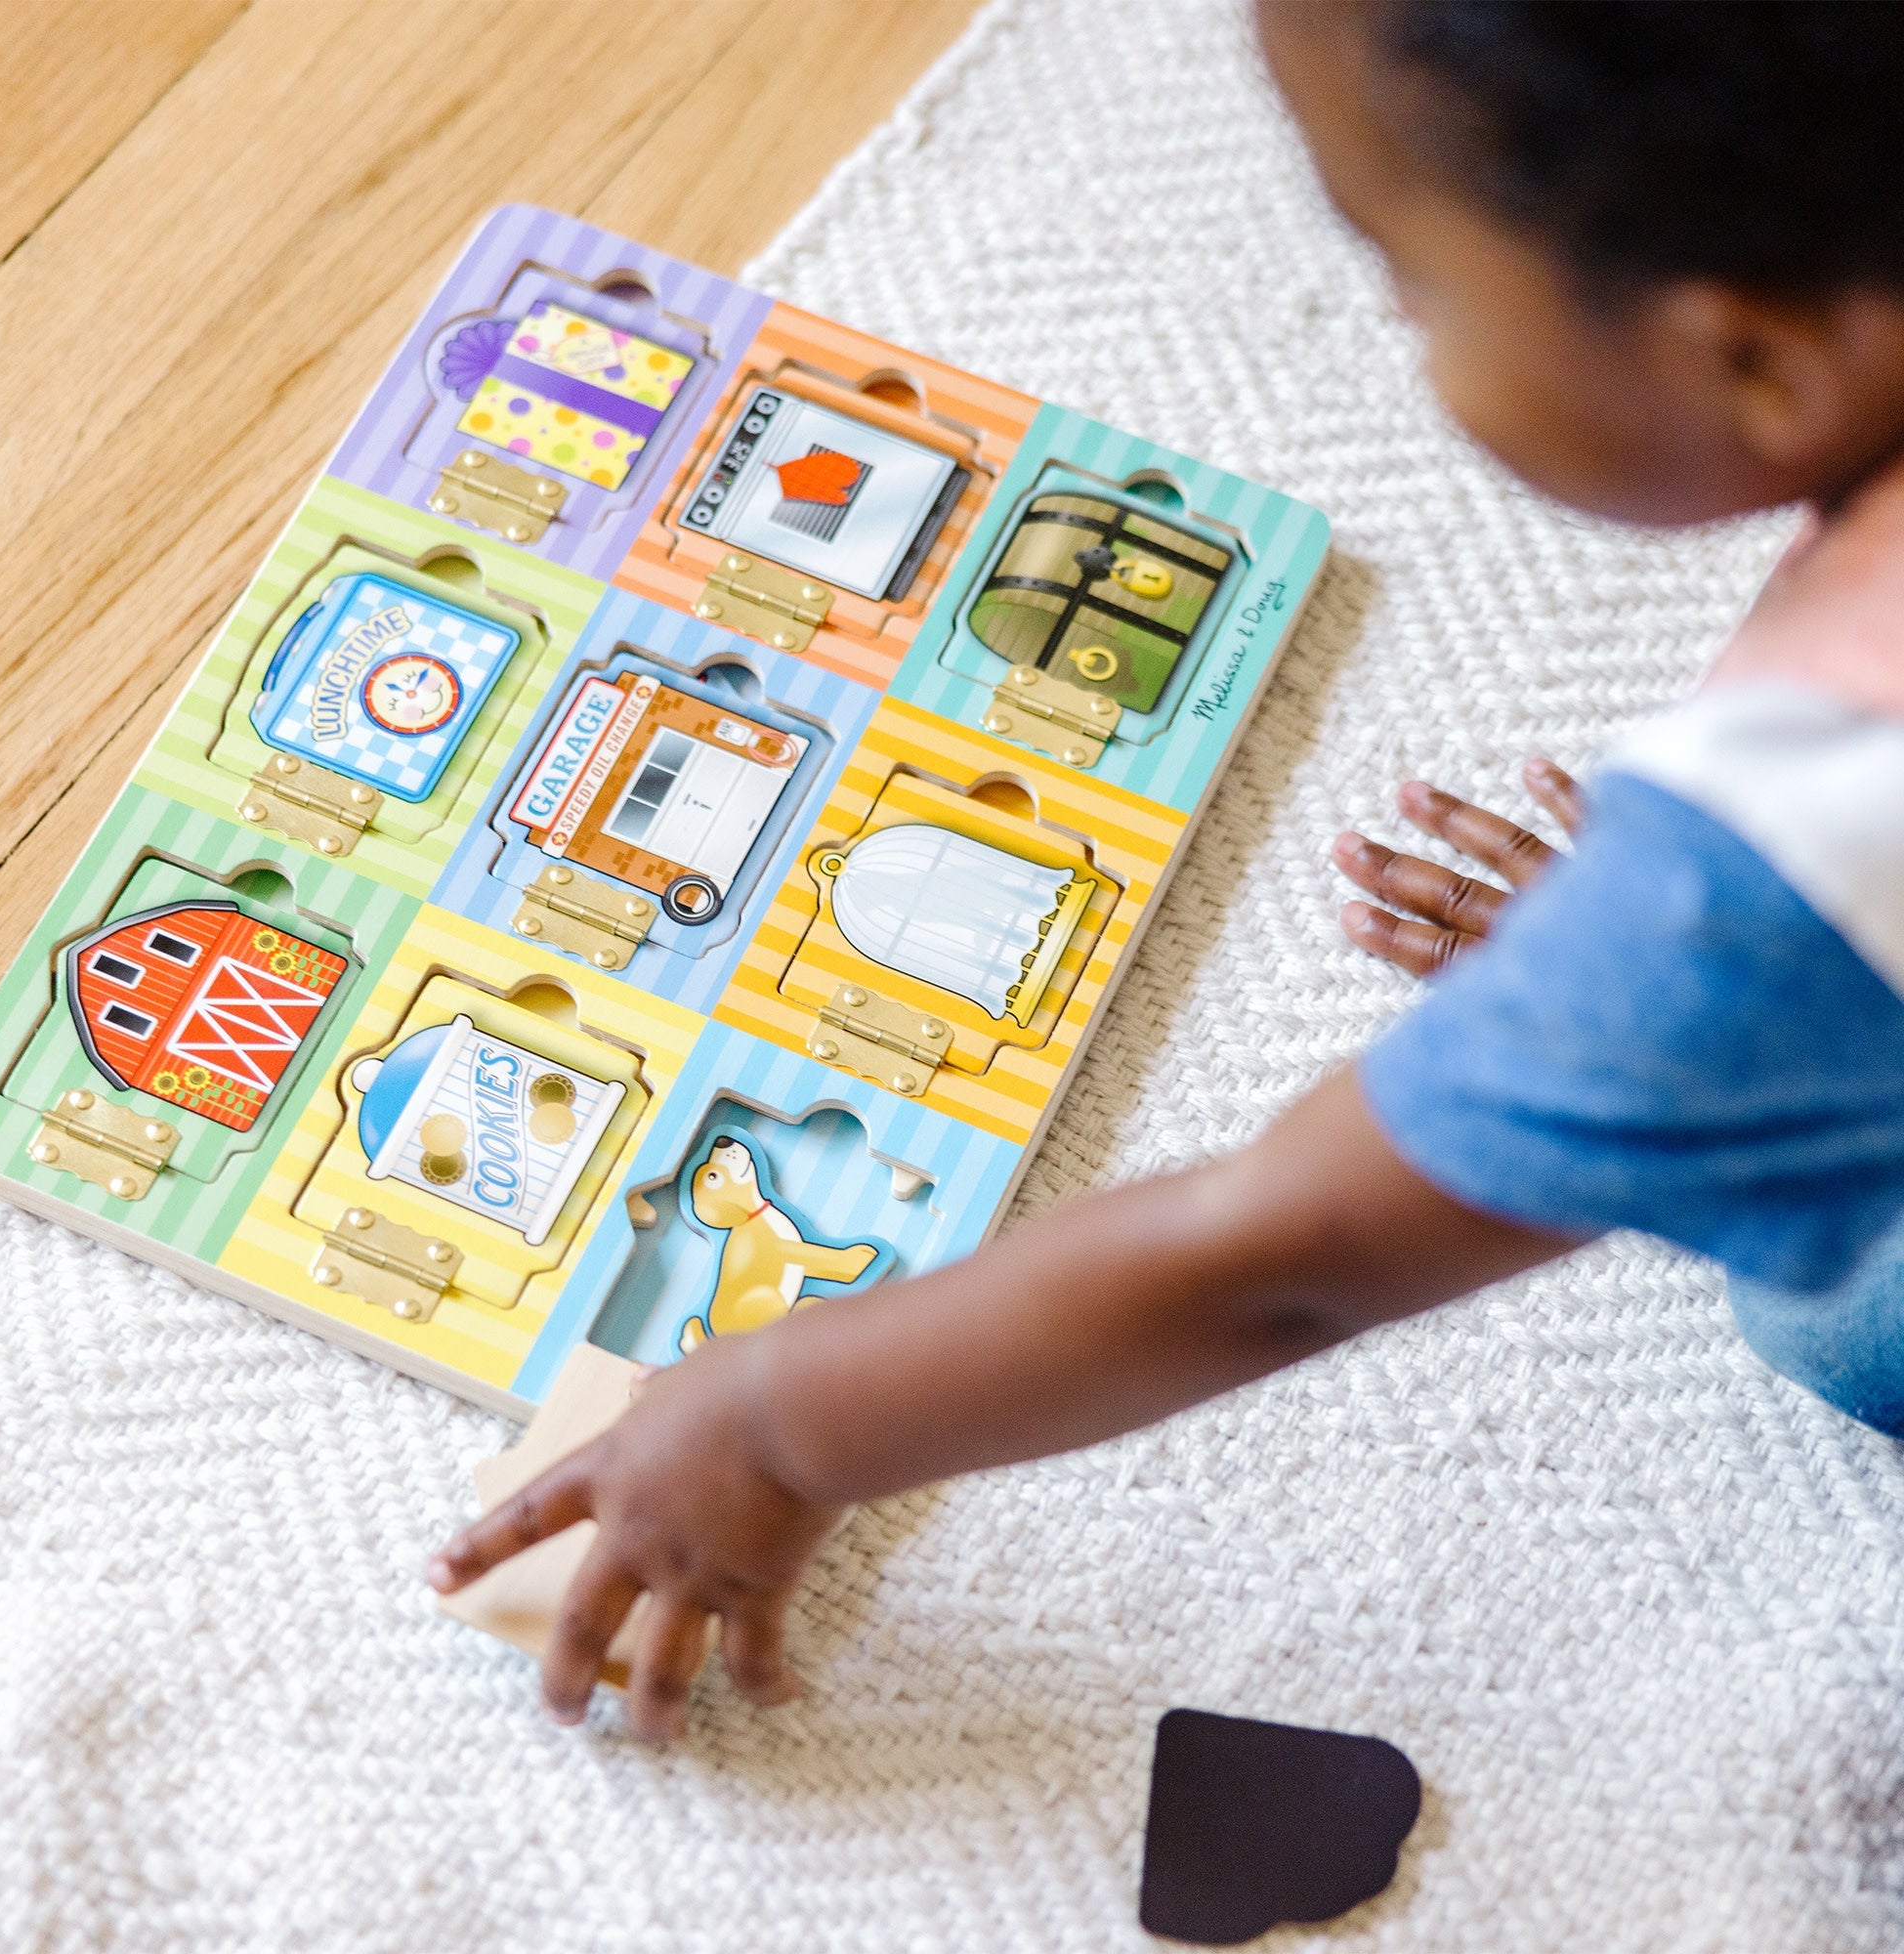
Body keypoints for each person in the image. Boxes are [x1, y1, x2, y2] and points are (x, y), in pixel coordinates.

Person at [429, 1, 1904, 1741]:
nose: (1402, 331)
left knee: (1831, 1318)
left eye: (1414, 283)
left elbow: (1274, 1260)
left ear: (1761, 362)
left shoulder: (1770, 860)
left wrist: (769, 1424)